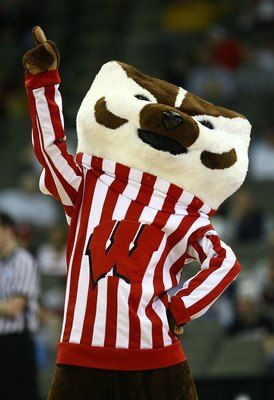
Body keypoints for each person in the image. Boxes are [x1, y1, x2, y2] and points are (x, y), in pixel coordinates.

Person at [0, 212, 39, 400]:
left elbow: (14, 308)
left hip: (16, 343)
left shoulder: (23, 261)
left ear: (7, 231)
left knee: (19, 393)